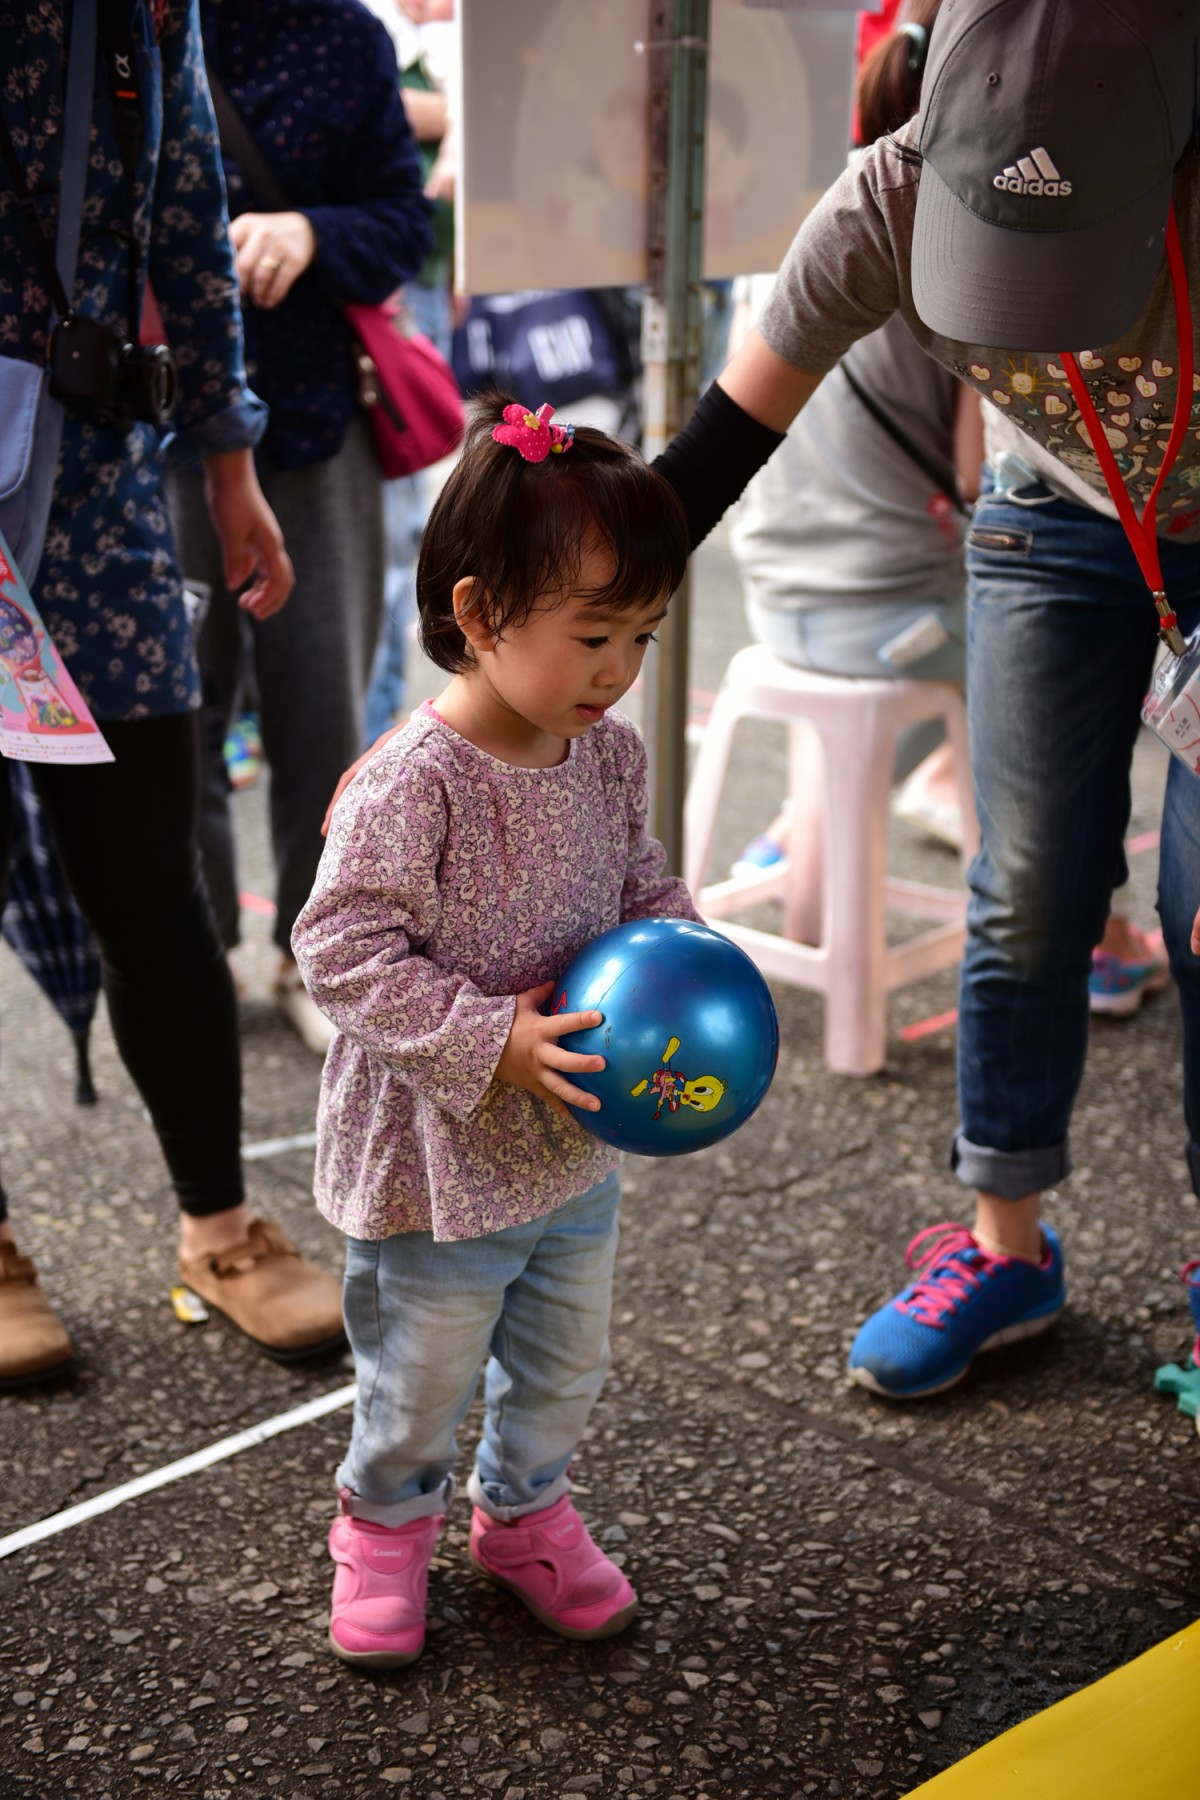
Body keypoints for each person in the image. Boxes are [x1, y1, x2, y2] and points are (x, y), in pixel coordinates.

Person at [653, 0, 1200, 1400]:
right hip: (1051, 519)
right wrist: (546, 620)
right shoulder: (888, 197)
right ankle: (1005, 1244)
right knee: (1024, 894)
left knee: (1199, 915)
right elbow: (705, 464)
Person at [290, 393, 697, 1666]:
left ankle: (522, 1516)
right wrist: (489, 1041)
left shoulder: (611, 758)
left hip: (573, 1149)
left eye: (642, 635)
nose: (618, 670)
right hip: (438, 1164)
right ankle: (386, 1527)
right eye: (593, 634)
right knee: (419, 1379)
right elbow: (338, 945)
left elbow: (641, 884)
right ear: (477, 615)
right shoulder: (416, 781)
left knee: (563, 1363)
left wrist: (689, 951)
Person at [0, 0, 347, 1387]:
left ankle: (222, 1227)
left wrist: (227, 463)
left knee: (153, 882)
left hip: (93, 490)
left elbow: (190, 218)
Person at [727, 1, 1166, 1003]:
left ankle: (801, 836)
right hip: (892, 613)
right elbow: (979, 481)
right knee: (1037, 702)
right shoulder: (929, 227)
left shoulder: (820, 219)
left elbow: (727, 433)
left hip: (773, 589)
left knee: (1006, 671)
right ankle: (1092, 934)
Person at [166, 0, 433, 1056]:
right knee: (174, 713)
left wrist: (312, 232)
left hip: (316, 426)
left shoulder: (347, 34)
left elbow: (405, 228)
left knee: (324, 711)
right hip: (163, 427)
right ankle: (188, 951)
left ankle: (314, 955)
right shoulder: (137, 29)